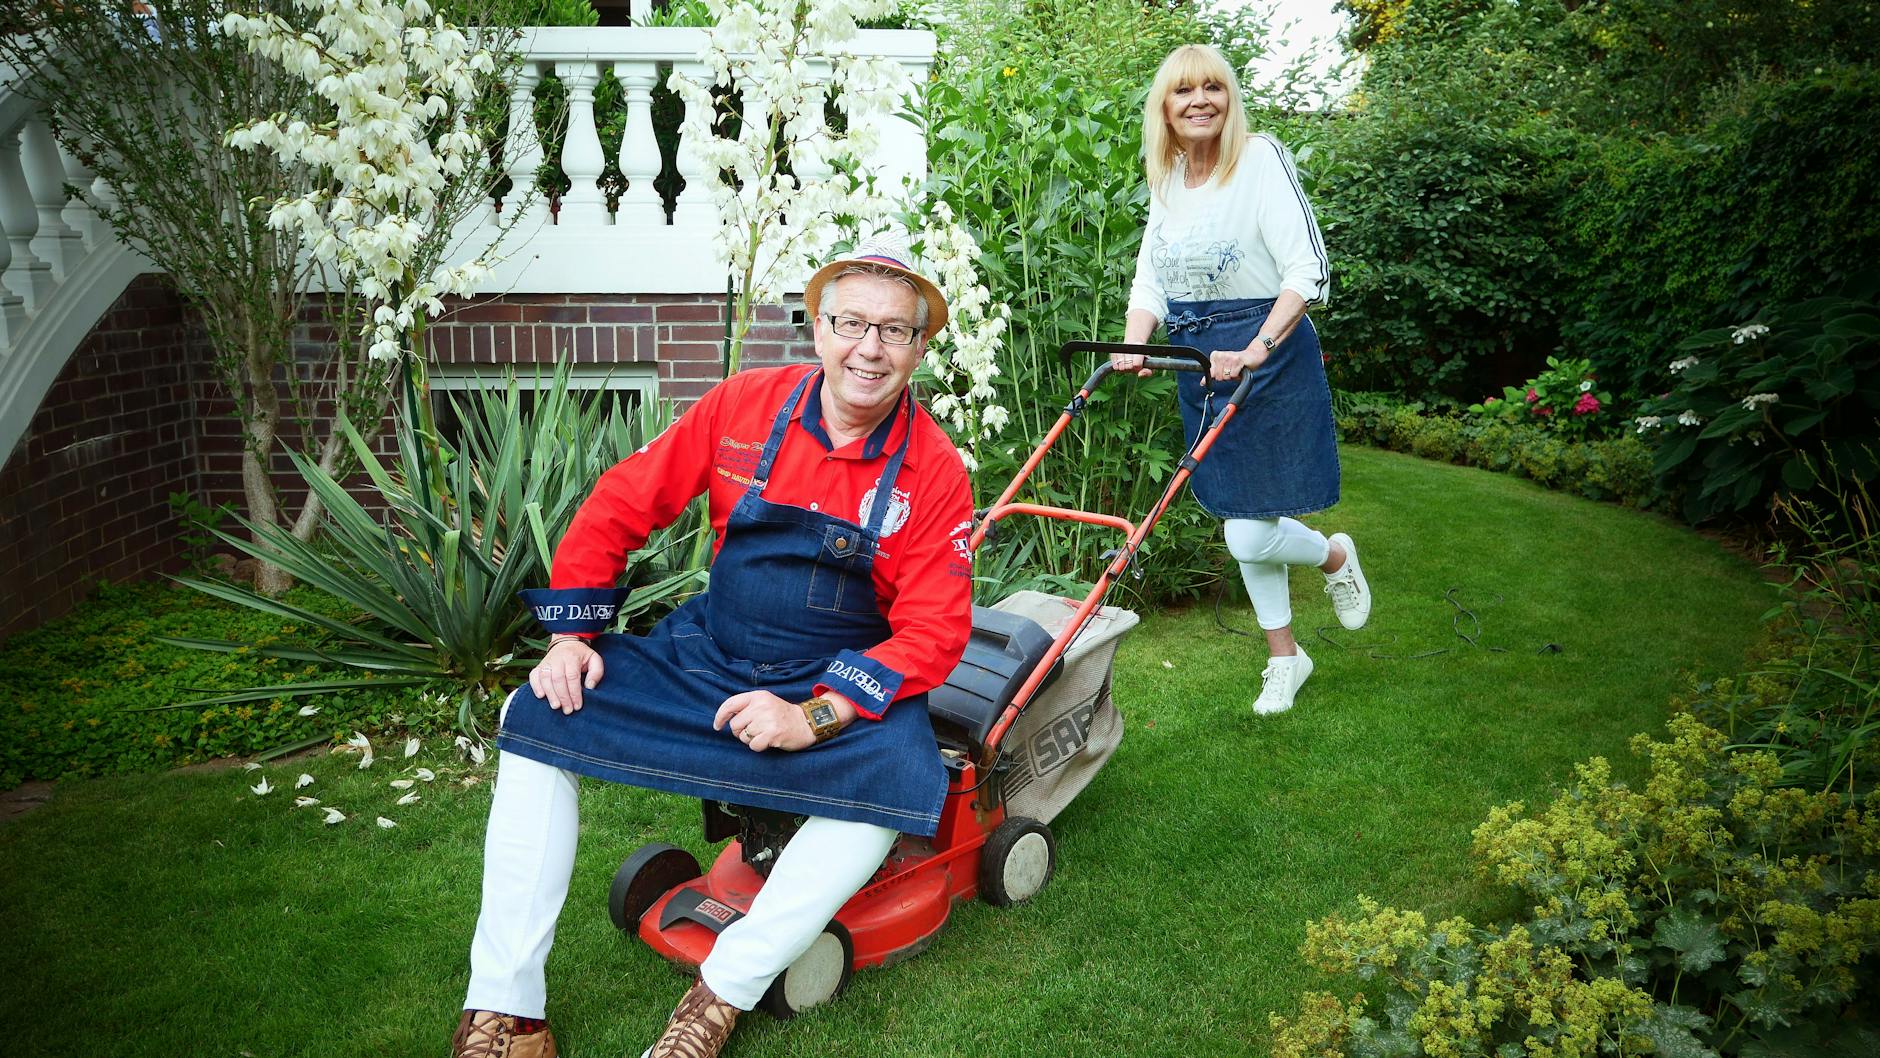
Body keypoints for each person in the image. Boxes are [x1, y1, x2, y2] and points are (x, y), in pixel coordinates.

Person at [449, 234, 975, 1058]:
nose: (868, 349)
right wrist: (570, 635)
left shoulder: (933, 470)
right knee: (536, 714)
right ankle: (506, 1008)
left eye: (894, 331)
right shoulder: (744, 406)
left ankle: (721, 995)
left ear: (919, 345)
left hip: (826, 673)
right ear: (818, 326)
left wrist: (818, 715)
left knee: (899, 779)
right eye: (850, 323)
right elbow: (623, 501)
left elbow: (934, 627)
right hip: (708, 656)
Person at [1112, 43, 1372, 717]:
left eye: (1212, 88)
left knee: (1247, 532)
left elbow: (1306, 269)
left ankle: (1332, 557)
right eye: (1182, 91)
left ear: (1229, 99)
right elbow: (1151, 279)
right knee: (1239, 515)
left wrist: (1257, 346)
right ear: (1163, 109)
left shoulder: (1260, 159)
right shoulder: (1166, 178)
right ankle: (1285, 656)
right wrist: (1135, 342)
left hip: (1268, 352)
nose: (1199, 100)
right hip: (1200, 361)